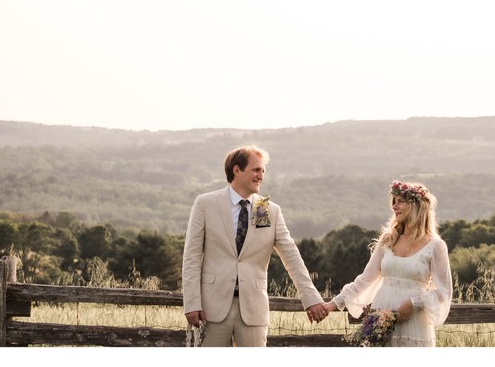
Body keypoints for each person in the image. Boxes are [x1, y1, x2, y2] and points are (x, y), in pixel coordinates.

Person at [182, 145, 327, 346]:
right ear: (236, 170)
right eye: (256, 170)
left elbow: (291, 257)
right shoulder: (205, 204)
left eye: (263, 171)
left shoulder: (267, 209)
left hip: (253, 311)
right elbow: (191, 257)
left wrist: (310, 298)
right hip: (210, 309)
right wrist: (191, 303)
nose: (261, 176)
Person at [322, 179, 452, 346]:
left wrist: (414, 303)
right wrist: (333, 304)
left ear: (417, 206)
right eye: (394, 202)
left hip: (414, 321)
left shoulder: (436, 246)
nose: (394, 206)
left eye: (401, 201)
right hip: (381, 316)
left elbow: (444, 292)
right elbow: (365, 280)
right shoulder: (388, 240)